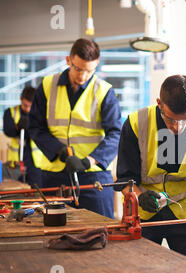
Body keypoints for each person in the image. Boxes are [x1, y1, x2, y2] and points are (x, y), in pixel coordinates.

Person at [115, 74, 186, 263]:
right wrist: (140, 196)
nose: (177, 127)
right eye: (171, 119)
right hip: (144, 215)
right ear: (159, 103)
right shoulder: (136, 123)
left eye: (185, 120)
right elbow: (125, 179)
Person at [29, 38, 121, 219]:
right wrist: (59, 151)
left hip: (93, 177)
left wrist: (90, 161)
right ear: (68, 60)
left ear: (96, 65)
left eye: (89, 71)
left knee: (99, 231)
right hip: (54, 174)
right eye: (77, 68)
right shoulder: (48, 85)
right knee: (54, 232)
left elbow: (116, 133)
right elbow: (35, 127)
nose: (82, 76)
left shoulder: (104, 91)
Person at [3, 85, 42, 187]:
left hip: (36, 162)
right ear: (21, 99)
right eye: (25, 105)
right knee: (15, 189)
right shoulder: (11, 112)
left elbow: (41, 133)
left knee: (36, 190)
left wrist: (30, 128)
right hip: (16, 162)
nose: (28, 109)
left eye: (31, 106)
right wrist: (17, 127)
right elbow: (8, 131)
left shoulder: (40, 113)